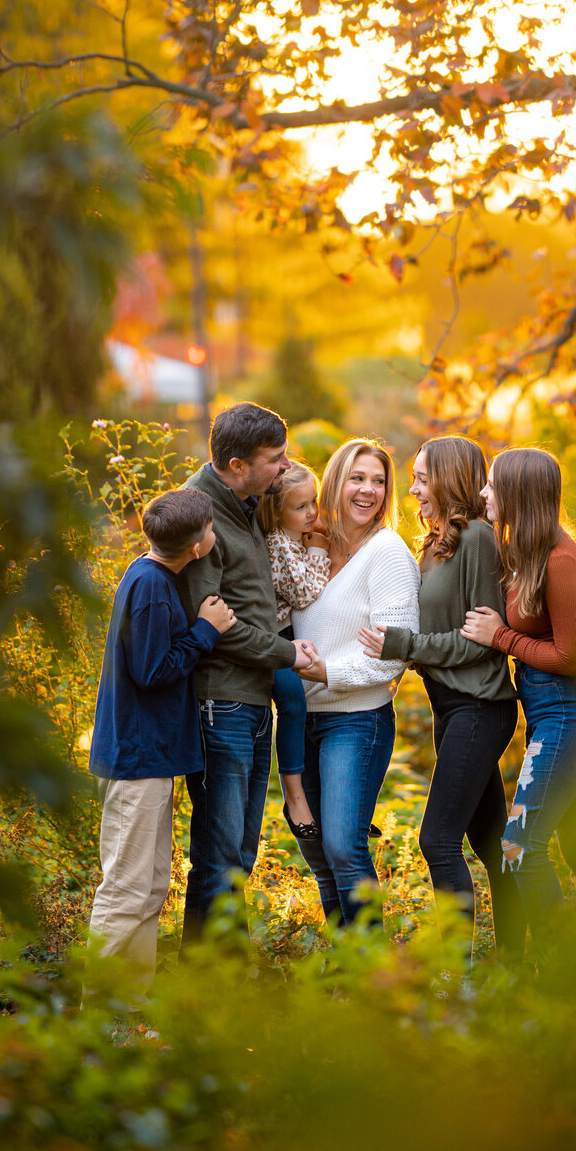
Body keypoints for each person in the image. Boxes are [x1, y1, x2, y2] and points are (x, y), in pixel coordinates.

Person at [359, 435, 524, 960]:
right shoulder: (433, 547)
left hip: (480, 705)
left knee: (437, 840)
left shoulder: (477, 537)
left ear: (451, 479)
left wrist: (404, 646)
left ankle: (457, 967)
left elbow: (478, 643)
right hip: (450, 706)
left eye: (423, 478)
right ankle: (524, 960)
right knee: (492, 845)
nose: (413, 490)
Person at [178, 404, 320, 944]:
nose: (286, 467)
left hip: (253, 702)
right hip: (222, 705)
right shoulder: (201, 516)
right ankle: (207, 980)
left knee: (240, 848)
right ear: (237, 464)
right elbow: (213, 623)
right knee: (218, 854)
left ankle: (224, 970)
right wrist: (288, 654)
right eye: (275, 459)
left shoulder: (246, 500)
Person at [462, 447, 576, 943]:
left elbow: (570, 658)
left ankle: (561, 972)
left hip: (575, 708)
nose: (484, 493)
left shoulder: (559, 561)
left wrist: (500, 638)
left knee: (519, 847)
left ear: (519, 495)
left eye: (492, 486)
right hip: (551, 709)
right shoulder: (524, 550)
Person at [87, 487, 235, 999]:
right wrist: (205, 631)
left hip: (151, 758)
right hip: (136, 758)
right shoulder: (150, 586)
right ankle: (103, 1015)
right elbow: (152, 671)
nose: (213, 536)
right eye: (211, 529)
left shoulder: (152, 575)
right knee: (126, 889)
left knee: (149, 887)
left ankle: (128, 1004)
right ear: (197, 547)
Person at [288, 439, 420, 927]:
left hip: (355, 720)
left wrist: (328, 671)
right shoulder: (310, 547)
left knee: (344, 845)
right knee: (316, 847)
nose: (368, 490)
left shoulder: (386, 552)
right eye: (357, 478)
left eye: (379, 481)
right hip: (302, 719)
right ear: (335, 482)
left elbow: (394, 654)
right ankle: (347, 963)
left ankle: (370, 967)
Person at [257, 461, 331, 839]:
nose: (312, 513)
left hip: (287, 634)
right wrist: (319, 549)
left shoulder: (291, 538)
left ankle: (327, 801)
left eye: (313, 502)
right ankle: (294, 795)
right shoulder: (278, 544)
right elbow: (305, 594)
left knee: (304, 709)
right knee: (292, 703)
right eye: (301, 507)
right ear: (276, 511)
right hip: (274, 638)